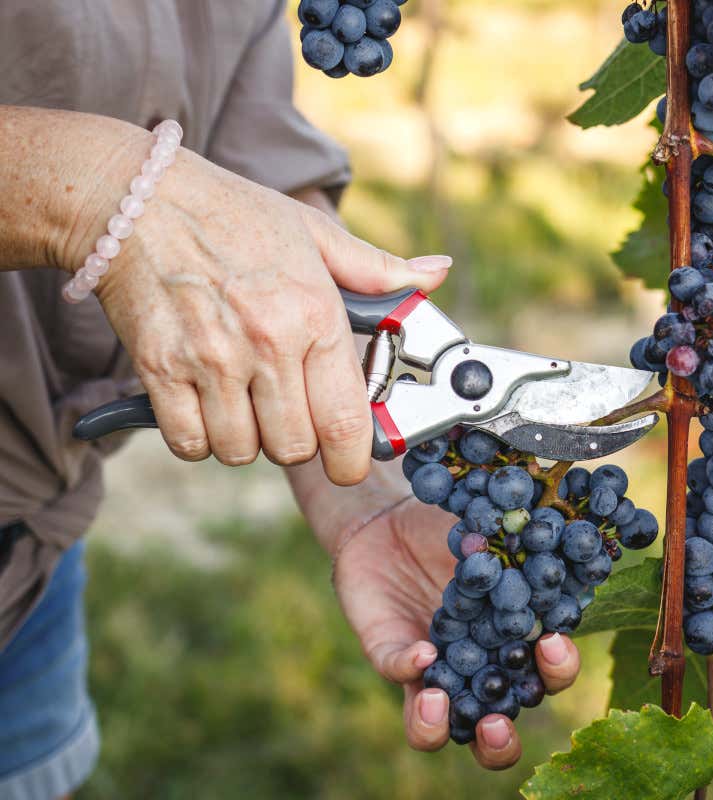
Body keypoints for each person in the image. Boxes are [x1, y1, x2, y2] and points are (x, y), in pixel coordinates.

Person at [0, 2, 580, 796]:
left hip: (27, 586)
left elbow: (251, 158)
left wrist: (366, 497)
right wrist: (98, 190)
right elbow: (155, 201)